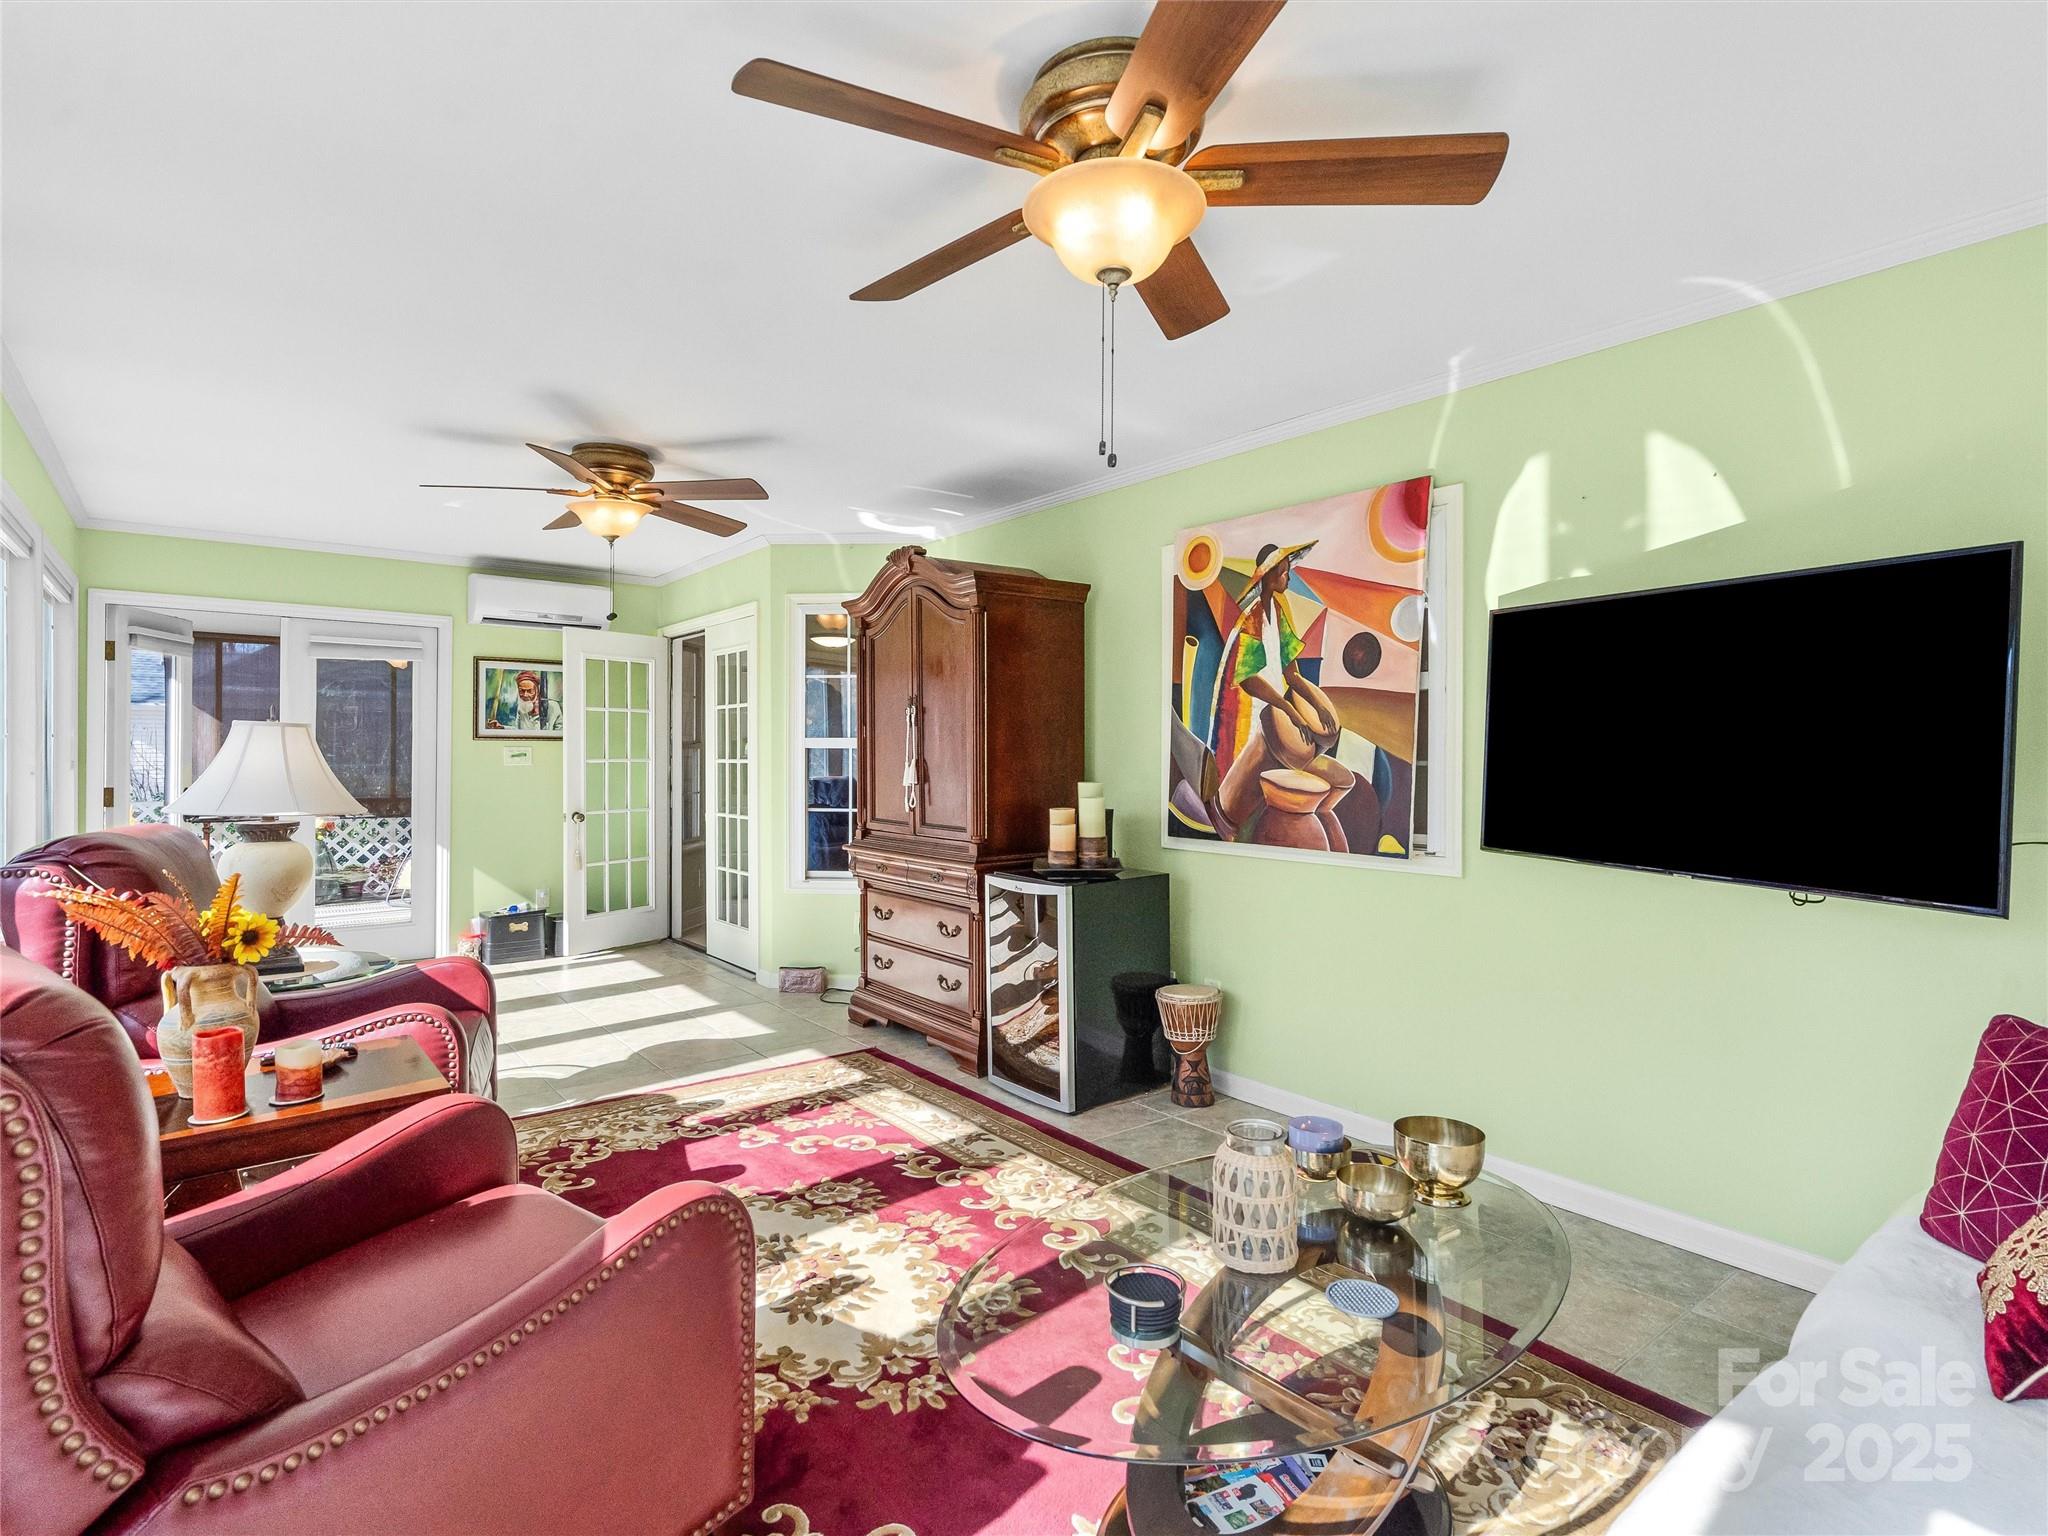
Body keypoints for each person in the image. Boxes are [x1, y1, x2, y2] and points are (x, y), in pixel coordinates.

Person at [488, 669, 563, 731]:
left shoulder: (553, 707)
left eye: (529, 691)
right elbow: (519, 731)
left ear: (537, 690)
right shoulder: (521, 708)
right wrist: (502, 728)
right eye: (522, 691)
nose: (525, 695)